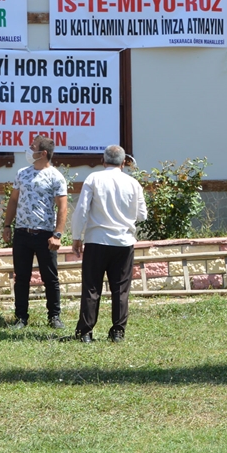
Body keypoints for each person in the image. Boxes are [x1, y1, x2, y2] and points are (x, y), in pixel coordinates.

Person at [70, 144, 146, 343]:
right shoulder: (133, 183)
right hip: (123, 242)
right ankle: (118, 331)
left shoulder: (93, 178)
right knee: (120, 289)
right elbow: (142, 215)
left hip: (97, 240)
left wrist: (77, 236)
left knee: (92, 288)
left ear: (103, 161)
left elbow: (81, 210)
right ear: (123, 163)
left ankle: (85, 332)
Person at [1, 135, 69, 329]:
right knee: (21, 277)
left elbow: (63, 207)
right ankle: (21, 317)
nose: (29, 150)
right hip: (23, 232)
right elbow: (13, 200)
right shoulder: (22, 173)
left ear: (43, 153)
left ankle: (54, 316)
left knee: (50, 278)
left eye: (33, 147)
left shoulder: (56, 176)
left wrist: (57, 234)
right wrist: (7, 225)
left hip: (45, 234)